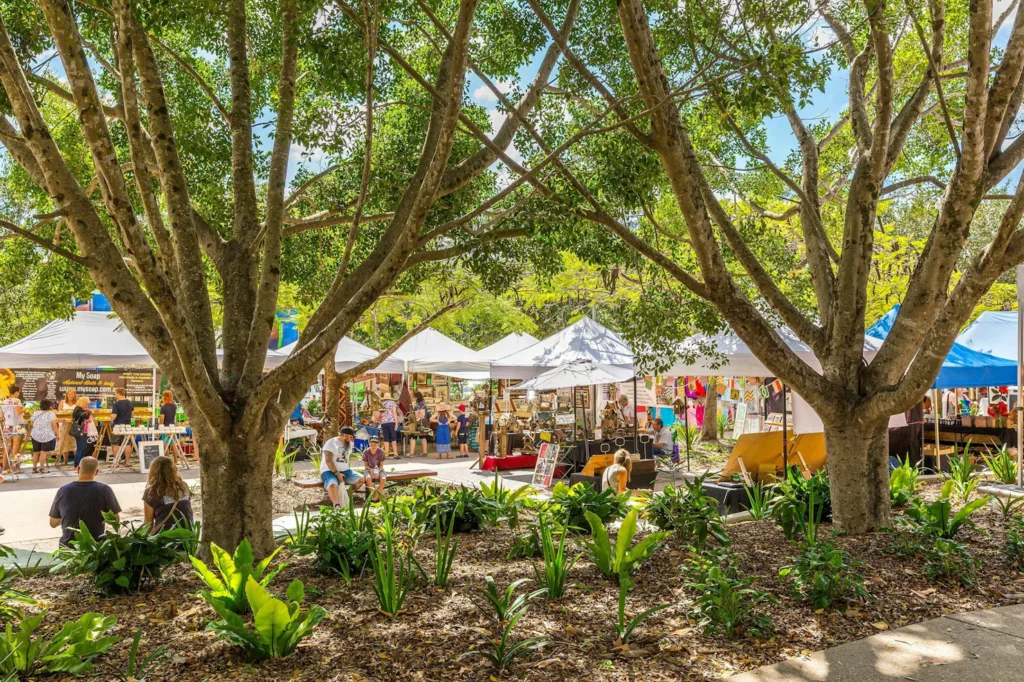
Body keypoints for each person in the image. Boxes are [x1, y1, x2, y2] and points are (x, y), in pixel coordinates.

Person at [48, 456, 121, 547]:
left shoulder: (63, 490)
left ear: (78, 469)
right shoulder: (105, 490)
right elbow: (115, 521)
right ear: (97, 472)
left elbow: (53, 523)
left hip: (69, 546)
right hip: (96, 546)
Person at [143, 455, 194, 532]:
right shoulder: (184, 486)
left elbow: (148, 525)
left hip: (164, 537)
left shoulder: (151, 492)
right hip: (187, 535)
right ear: (173, 469)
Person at [320, 426, 364, 507]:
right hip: (329, 470)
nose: (350, 439)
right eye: (349, 437)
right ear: (344, 435)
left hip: (345, 470)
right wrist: (337, 473)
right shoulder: (331, 443)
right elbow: (328, 461)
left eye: (351, 437)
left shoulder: (349, 444)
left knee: (361, 479)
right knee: (332, 483)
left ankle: (345, 495)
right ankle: (337, 504)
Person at [29, 399, 58, 474]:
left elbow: (31, 424)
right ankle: (42, 468)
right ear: (50, 406)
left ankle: (34, 468)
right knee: (43, 452)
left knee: (36, 452)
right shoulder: (51, 414)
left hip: (35, 434)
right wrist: (58, 434)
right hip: (47, 435)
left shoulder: (35, 413)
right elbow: (54, 426)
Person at [1, 385, 25, 473]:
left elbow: (2, 415)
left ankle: (5, 468)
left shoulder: (5, 401)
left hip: (8, 425)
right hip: (17, 425)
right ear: (16, 392)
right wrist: (24, 409)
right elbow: (18, 412)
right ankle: (14, 468)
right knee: (16, 447)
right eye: (19, 392)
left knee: (8, 447)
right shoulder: (16, 400)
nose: (19, 394)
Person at [361, 436, 387, 501]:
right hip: (369, 469)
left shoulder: (381, 452)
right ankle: (373, 495)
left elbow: (381, 466)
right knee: (368, 478)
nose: (373, 446)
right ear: (369, 444)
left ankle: (375, 496)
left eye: (375, 445)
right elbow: (366, 466)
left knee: (383, 479)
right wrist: (371, 470)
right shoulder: (366, 452)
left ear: (378, 444)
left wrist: (377, 471)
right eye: (371, 444)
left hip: (379, 469)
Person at [71, 396, 92, 469]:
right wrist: (89, 412)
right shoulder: (80, 411)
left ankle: (80, 464)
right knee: (81, 448)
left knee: (82, 447)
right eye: (86, 404)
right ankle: (77, 465)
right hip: (81, 431)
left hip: (80, 431)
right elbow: (87, 418)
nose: (86, 406)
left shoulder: (76, 409)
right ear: (82, 403)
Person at [379, 392, 399, 459]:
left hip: (384, 423)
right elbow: (394, 413)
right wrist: (396, 423)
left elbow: (379, 414)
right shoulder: (392, 403)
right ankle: (395, 454)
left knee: (386, 438)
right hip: (391, 422)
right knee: (393, 438)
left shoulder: (381, 404)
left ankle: (386, 454)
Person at [412, 391, 431, 456]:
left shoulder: (418, 405)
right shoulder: (424, 403)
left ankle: (411, 452)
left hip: (419, 422)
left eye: (414, 396)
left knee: (413, 436)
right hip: (424, 421)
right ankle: (425, 451)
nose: (413, 398)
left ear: (416, 397)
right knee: (423, 437)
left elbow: (415, 413)